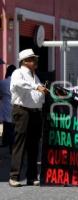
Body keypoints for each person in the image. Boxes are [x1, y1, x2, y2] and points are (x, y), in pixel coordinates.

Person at [9, 49, 48, 187]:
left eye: (35, 59)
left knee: (34, 145)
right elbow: (19, 84)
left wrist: (42, 93)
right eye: (32, 59)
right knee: (20, 143)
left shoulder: (34, 76)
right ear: (25, 61)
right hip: (22, 111)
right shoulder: (18, 73)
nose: (35, 61)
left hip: (35, 112)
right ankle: (14, 176)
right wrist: (36, 86)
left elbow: (38, 94)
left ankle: (31, 176)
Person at [0, 65, 16, 153]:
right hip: (16, 106)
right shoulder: (18, 83)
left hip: (6, 106)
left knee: (7, 126)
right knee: (14, 127)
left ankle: (7, 142)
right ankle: (12, 145)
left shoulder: (2, 83)